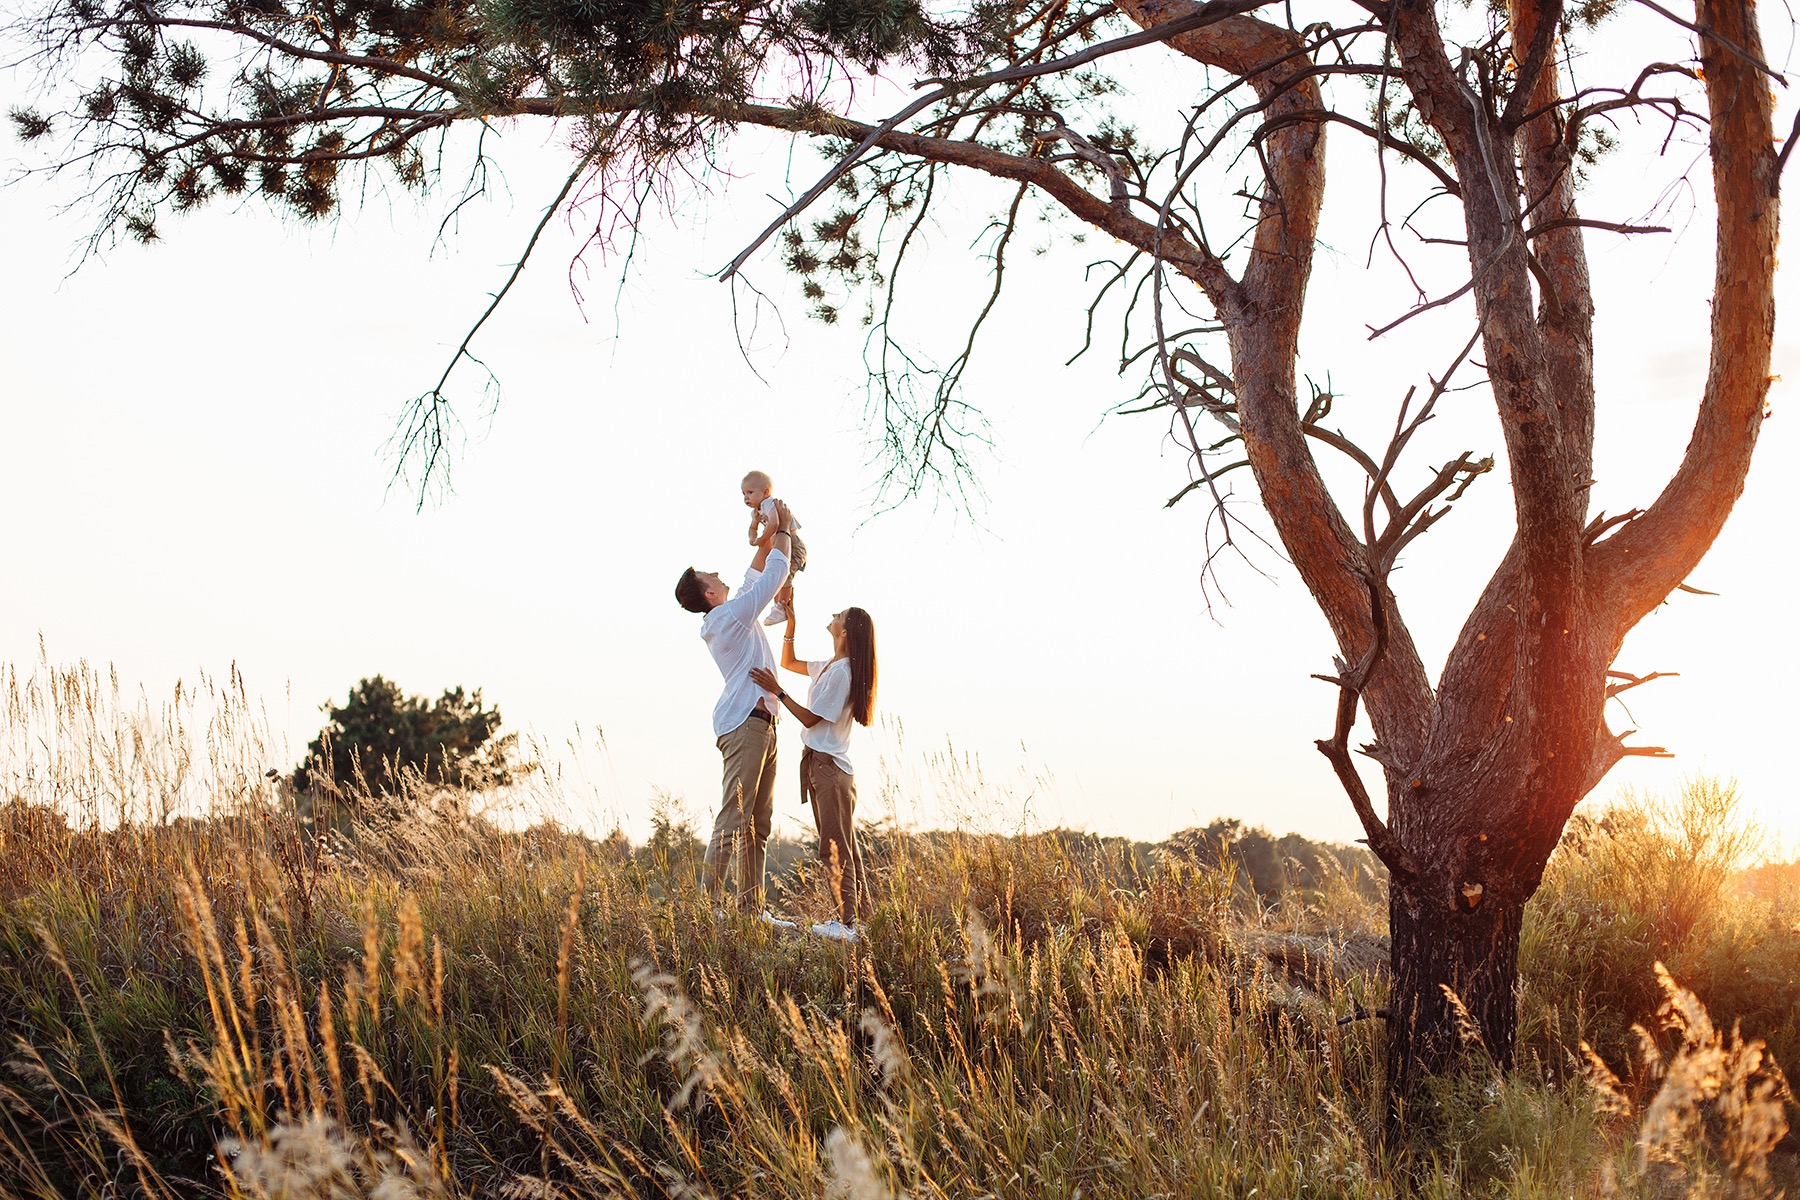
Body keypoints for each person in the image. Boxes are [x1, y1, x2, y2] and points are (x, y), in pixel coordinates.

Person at [674, 502, 795, 921]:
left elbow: (754, 573)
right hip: (745, 723)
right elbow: (773, 575)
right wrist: (783, 528)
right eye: (710, 575)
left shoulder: (733, 611)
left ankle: (750, 911)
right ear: (708, 593)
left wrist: (765, 533)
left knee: (758, 825)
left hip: (765, 722)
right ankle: (704, 910)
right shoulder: (727, 618)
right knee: (733, 818)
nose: (718, 572)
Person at [749, 596, 877, 942]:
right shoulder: (831, 666)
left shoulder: (843, 673)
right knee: (842, 845)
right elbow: (788, 661)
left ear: (846, 631)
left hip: (829, 769)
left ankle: (847, 924)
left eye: (840, 615)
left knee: (833, 848)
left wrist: (778, 692)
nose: (834, 615)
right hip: (821, 765)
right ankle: (858, 921)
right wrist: (791, 624)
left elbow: (810, 717)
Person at [741, 470, 806, 626]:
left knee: (784, 574)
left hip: (793, 545)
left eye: (750, 492)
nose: (746, 497)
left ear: (766, 492)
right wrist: (753, 538)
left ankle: (781, 608)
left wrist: (762, 539)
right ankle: (780, 605)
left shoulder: (769, 503)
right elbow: (753, 528)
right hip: (780, 546)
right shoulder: (756, 512)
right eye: (743, 493)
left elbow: (775, 523)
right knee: (776, 578)